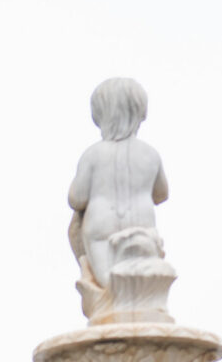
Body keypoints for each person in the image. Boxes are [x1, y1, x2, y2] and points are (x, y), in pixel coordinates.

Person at [68, 77, 169, 292]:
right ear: (141, 112)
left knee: (111, 285)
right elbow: (161, 194)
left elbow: (76, 199)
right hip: (143, 227)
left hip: (101, 228)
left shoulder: (92, 155)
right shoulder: (150, 154)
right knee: (138, 285)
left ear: (99, 115)